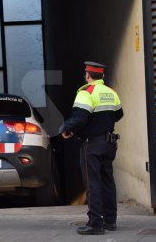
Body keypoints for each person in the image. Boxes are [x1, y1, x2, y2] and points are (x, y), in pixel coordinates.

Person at [60, 61, 123, 235]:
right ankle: (110, 221)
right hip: (110, 143)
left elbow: (80, 118)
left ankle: (95, 223)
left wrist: (67, 129)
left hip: (92, 144)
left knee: (92, 182)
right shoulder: (111, 92)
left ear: (87, 76)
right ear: (102, 76)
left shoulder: (86, 92)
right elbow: (118, 114)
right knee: (107, 181)